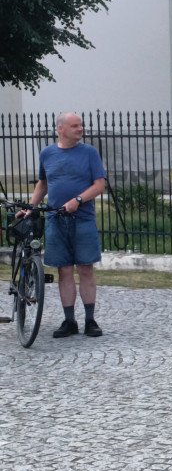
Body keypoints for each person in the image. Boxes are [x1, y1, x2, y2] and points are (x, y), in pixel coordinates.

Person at [23, 112, 107, 338]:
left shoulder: (89, 153)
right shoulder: (47, 154)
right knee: (64, 271)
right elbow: (43, 184)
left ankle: (90, 320)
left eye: (80, 125)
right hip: (55, 220)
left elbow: (100, 185)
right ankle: (69, 321)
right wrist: (32, 206)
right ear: (61, 129)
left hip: (83, 219)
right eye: (75, 126)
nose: (80, 129)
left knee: (86, 269)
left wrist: (78, 200)